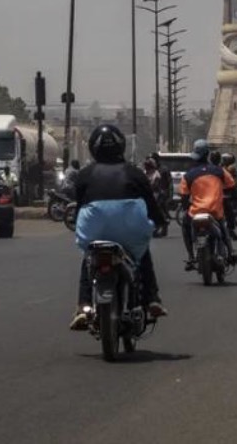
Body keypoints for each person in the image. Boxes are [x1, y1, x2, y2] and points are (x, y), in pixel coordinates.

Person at [69, 124, 168, 331]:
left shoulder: (85, 175)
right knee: (142, 256)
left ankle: (83, 306)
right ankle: (152, 299)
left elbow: (79, 207)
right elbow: (150, 204)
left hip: (94, 228)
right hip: (130, 230)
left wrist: (78, 223)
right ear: (121, 145)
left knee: (89, 259)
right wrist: (160, 221)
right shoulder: (134, 173)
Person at [178, 140, 237, 269]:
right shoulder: (220, 171)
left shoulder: (188, 175)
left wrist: (186, 207)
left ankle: (191, 257)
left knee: (185, 227)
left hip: (196, 213)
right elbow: (232, 185)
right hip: (215, 211)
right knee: (224, 228)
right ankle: (231, 252)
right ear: (208, 155)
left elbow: (184, 196)